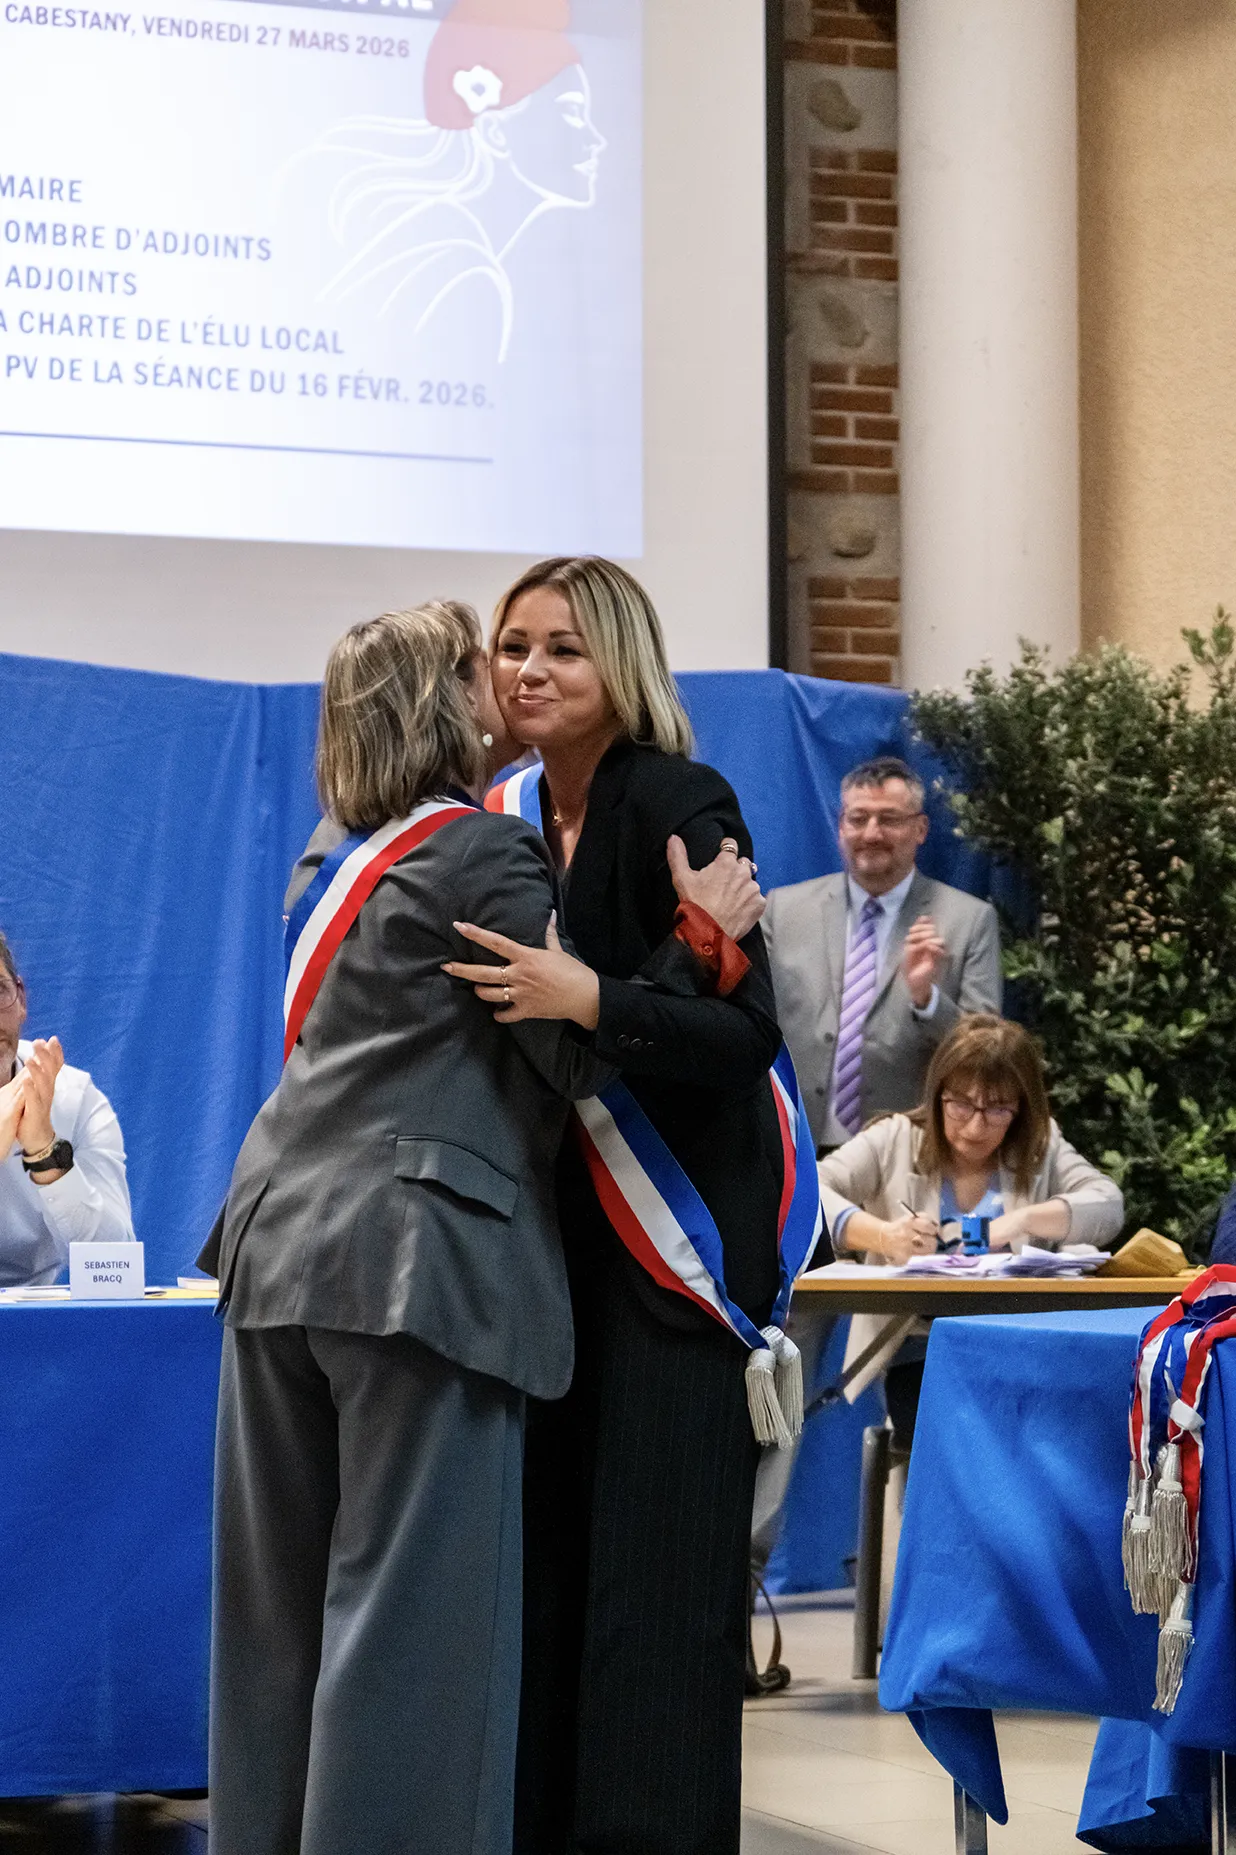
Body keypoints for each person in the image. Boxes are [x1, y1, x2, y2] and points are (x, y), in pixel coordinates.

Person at [198, 602, 621, 1855]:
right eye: (483, 661)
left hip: (275, 1247)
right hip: (418, 1268)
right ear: (446, 704)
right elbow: (570, 1054)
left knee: (275, 1627)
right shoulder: (485, 854)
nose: (510, 675)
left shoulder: (326, 863)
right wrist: (695, 951)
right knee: (414, 1633)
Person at [443, 555, 789, 1855]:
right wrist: (659, 960)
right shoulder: (499, 813)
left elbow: (744, 1035)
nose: (529, 669)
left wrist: (593, 995)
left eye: (562, 649)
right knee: (552, 1591)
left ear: (622, 665)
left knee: (656, 1604)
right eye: (512, 646)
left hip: (669, 1255)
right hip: (547, 1258)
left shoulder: (680, 799)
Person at [820, 1013, 1124, 1441]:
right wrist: (884, 1236)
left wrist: (1021, 1220)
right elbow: (810, 1190)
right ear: (937, 1095)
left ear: (1021, 1109)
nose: (976, 1126)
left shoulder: (1041, 1146)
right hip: (920, 1350)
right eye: (961, 1105)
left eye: (998, 1109)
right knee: (969, 1432)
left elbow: (1108, 1204)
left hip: (1019, 1347)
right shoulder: (895, 1139)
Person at [293, 0, 607, 361]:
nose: (596, 139)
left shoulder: (437, 242)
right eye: (572, 113)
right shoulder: (466, 279)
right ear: (495, 132)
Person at [763, 755, 1003, 1154]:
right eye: (858, 819)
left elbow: (988, 1054)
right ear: (841, 826)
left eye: (889, 819)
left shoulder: (969, 920)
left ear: (920, 829)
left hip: (904, 1153)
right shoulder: (783, 910)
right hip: (792, 1146)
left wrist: (928, 1001)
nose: (872, 833)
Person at [0, 930, 134, 1284]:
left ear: (21, 999)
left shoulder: (73, 1097)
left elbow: (116, 1265)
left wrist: (45, 1154)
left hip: (35, 1308)